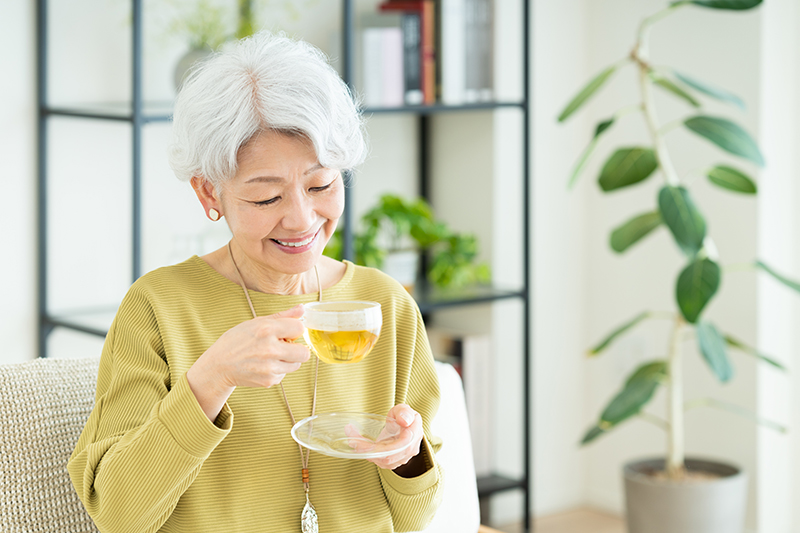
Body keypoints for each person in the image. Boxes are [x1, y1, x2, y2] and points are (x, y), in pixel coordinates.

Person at [68, 31, 443, 533]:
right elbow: (118, 514)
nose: (301, 219)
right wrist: (210, 380)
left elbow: (419, 515)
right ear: (209, 191)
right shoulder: (157, 307)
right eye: (267, 198)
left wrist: (406, 457)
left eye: (321, 184)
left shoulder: (382, 305)